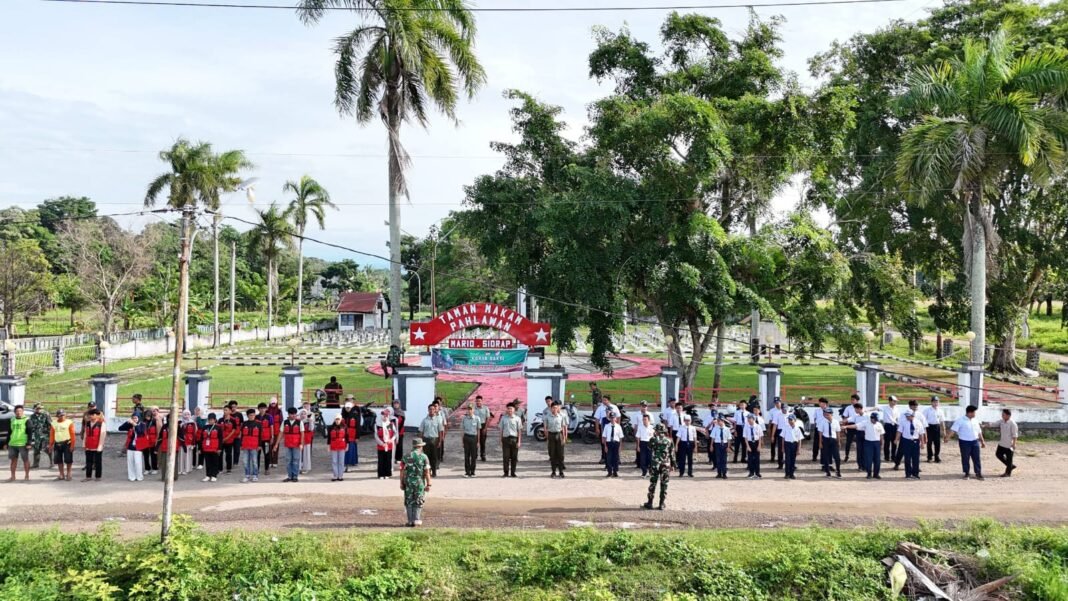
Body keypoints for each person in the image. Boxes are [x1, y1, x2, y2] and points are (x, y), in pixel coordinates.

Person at [400, 438, 432, 527]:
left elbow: (402, 470)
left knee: (409, 500)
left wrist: (401, 482)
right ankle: (416, 520)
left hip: (409, 481)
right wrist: (429, 484)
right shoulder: (424, 457)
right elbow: (427, 472)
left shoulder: (406, 456)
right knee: (418, 500)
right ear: (420, 446)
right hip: (419, 481)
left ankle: (410, 521)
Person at [641, 424, 673, 510]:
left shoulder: (653, 439)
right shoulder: (669, 441)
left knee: (653, 483)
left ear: (657, 431)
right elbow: (672, 454)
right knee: (664, 484)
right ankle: (661, 504)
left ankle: (650, 503)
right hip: (665, 465)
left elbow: (649, 447)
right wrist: (673, 465)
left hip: (655, 464)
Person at [845, 412, 885, 479]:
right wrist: (846, 426)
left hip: (877, 443)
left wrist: (882, 444)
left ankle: (876, 474)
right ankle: (869, 473)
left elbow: (881, 435)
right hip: (868, 443)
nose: (875, 421)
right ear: (871, 418)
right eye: (874, 419)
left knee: (877, 460)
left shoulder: (879, 424)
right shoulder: (865, 423)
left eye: (876, 420)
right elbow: (856, 425)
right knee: (868, 459)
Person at [950, 404, 986, 480]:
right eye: (974, 412)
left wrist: (982, 441)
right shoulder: (960, 420)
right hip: (964, 442)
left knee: (976, 458)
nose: (975, 414)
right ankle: (966, 473)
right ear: (969, 413)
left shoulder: (975, 420)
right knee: (965, 458)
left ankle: (978, 473)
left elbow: (979, 432)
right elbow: (953, 430)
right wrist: (947, 438)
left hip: (975, 441)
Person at [893, 400, 927, 470]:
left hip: (915, 437)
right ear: (910, 406)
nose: (915, 407)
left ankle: (916, 466)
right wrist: (897, 438)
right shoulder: (903, 414)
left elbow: (923, 427)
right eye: (914, 406)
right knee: (901, 451)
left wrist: (925, 437)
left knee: (916, 452)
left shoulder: (920, 415)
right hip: (905, 436)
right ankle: (897, 463)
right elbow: (899, 426)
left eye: (916, 406)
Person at [896, 410, 925, 480]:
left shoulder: (918, 422)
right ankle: (908, 474)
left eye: (908, 416)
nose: (907, 417)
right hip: (906, 441)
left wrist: (922, 443)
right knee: (907, 458)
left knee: (916, 458)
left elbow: (921, 433)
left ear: (912, 415)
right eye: (906, 416)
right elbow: (899, 431)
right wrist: (896, 439)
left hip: (915, 441)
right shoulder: (903, 422)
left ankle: (915, 474)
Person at [49, 408, 76, 481]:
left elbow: (73, 434)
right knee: (58, 460)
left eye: (63, 415)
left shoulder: (69, 422)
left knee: (68, 459)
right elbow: (52, 434)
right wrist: (50, 445)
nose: (62, 416)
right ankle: (61, 474)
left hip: (67, 443)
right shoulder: (53, 423)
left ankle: (69, 473)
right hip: (57, 443)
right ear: (57, 416)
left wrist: (72, 445)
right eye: (60, 415)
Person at [7, 405, 30, 482]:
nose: (18, 412)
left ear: (23, 412)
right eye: (17, 411)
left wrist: (29, 443)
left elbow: (30, 432)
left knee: (25, 460)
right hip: (12, 444)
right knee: (13, 461)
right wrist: (7, 442)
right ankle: (13, 476)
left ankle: (27, 475)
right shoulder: (12, 420)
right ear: (14, 412)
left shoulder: (27, 420)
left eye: (20, 411)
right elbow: (9, 432)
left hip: (23, 444)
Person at [817, 407, 842, 478]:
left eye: (827, 414)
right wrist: (820, 442)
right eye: (825, 414)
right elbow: (820, 433)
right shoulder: (822, 422)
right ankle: (828, 472)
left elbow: (838, 432)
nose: (826, 415)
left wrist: (839, 441)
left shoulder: (836, 422)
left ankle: (838, 471)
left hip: (833, 440)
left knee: (837, 457)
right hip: (825, 440)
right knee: (826, 456)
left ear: (831, 414)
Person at [419, 404, 444, 477]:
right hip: (426, 440)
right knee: (426, 457)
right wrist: (421, 442)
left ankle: (434, 471)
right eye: (430, 409)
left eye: (433, 409)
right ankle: (427, 471)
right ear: (428, 410)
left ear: (435, 410)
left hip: (434, 440)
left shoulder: (438, 420)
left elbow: (440, 431)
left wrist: (440, 441)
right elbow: (421, 431)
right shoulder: (424, 420)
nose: (432, 411)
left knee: (434, 456)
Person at [121, 415, 147, 481]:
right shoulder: (130, 425)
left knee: (138, 462)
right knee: (130, 462)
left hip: (138, 446)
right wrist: (127, 422)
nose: (134, 419)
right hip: (130, 446)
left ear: (138, 418)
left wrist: (135, 425)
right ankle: (131, 476)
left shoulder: (142, 424)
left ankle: (139, 476)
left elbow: (140, 432)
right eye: (133, 418)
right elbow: (120, 428)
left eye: (136, 418)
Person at [499, 403, 522, 478]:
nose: (509, 410)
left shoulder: (517, 418)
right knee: (505, 456)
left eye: (511, 409)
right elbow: (501, 430)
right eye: (508, 409)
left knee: (514, 457)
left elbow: (519, 431)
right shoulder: (503, 418)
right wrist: (500, 440)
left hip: (514, 439)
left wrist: (519, 441)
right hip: (505, 439)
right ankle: (506, 472)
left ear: (514, 410)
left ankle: (513, 472)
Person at [81, 409, 105, 482]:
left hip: (97, 445)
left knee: (98, 462)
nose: (91, 416)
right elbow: (85, 434)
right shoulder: (87, 423)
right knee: (88, 462)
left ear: (97, 415)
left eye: (93, 415)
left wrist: (100, 445)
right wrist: (84, 443)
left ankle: (98, 476)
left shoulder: (101, 424)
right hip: (89, 445)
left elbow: (102, 435)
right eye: (90, 415)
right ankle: (88, 476)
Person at [993, 408, 1018, 477]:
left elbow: (1015, 435)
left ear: (1008, 415)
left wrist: (1014, 444)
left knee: (1009, 459)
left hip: (1009, 444)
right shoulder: (1002, 421)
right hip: (1002, 443)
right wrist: (986, 425)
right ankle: (1010, 466)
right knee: (998, 454)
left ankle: (1007, 473)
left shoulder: (1013, 424)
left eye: (1003, 415)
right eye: (1002, 414)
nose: (1002, 416)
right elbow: (994, 424)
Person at [281, 407, 304, 483]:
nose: (293, 415)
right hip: (288, 444)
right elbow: (281, 433)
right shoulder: (285, 422)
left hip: (296, 444)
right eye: (292, 414)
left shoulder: (299, 422)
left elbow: (302, 434)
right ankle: (289, 476)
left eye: (295, 414)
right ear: (289, 414)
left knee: (295, 460)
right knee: (288, 460)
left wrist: (301, 443)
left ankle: (295, 476)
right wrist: (276, 444)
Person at [240, 409, 262, 483]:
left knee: (254, 461)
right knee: (245, 461)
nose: (252, 416)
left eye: (253, 415)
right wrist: (241, 445)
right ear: (247, 416)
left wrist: (259, 445)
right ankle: (247, 475)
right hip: (245, 445)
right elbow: (242, 435)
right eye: (250, 415)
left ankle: (255, 475)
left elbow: (260, 436)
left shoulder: (259, 424)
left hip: (254, 445)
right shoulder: (244, 424)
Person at [460, 404, 482, 478]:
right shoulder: (464, 418)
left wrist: (478, 441)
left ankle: (472, 472)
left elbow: (478, 430)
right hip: (466, 437)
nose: (469, 411)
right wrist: (462, 441)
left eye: (471, 409)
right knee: (466, 456)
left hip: (474, 438)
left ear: (473, 410)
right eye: (468, 409)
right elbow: (462, 430)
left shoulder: (477, 418)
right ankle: (467, 472)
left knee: (473, 456)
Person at [199, 413, 223, 482]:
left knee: (215, 462)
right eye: (209, 420)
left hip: (215, 448)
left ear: (215, 420)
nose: (210, 421)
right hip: (206, 448)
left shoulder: (218, 428)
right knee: (207, 462)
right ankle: (208, 475)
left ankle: (214, 475)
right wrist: (200, 448)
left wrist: (219, 448)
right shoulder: (205, 427)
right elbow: (201, 438)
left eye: (212, 420)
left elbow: (221, 439)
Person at [27, 404, 52, 469]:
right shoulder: (32, 416)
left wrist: (50, 435)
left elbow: (50, 425)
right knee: (36, 450)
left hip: (45, 435)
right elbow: (31, 427)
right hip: (36, 436)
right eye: (38, 408)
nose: (39, 409)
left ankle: (52, 463)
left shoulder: (46, 415)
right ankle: (36, 464)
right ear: (34, 409)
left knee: (47, 449)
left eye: (41, 408)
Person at [923, 396, 947, 463]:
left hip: (937, 427)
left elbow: (942, 421)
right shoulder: (927, 410)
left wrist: (944, 430)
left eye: (937, 402)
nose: (936, 403)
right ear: (931, 402)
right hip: (929, 427)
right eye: (934, 402)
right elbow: (923, 420)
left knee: (937, 443)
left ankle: (937, 456)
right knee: (929, 442)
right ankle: (929, 457)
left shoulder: (940, 411)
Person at [780, 414, 804, 480]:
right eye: (789, 420)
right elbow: (783, 438)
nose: (789, 421)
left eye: (791, 420)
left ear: (795, 420)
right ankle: (787, 474)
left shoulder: (798, 429)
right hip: (787, 444)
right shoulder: (785, 427)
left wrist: (798, 449)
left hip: (794, 445)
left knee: (793, 460)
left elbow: (799, 440)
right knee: (787, 460)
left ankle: (792, 474)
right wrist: (782, 447)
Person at [375, 408, 397, 479]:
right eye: (383, 415)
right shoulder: (378, 425)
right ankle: (381, 474)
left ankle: (387, 473)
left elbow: (394, 433)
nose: (385, 417)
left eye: (386, 416)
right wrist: (381, 443)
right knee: (381, 460)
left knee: (388, 459)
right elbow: (376, 436)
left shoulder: (389, 424)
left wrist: (391, 439)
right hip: (381, 445)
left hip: (389, 445)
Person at [603, 411, 624, 478]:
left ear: (616, 418)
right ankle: (609, 472)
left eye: (613, 418)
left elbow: (620, 437)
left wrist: (620, 446)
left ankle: (615, 471)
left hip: (616, 443)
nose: (612, 419)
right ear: (609, 418)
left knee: (616, 458)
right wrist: (605, 446)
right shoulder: (606, 426)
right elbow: (604, 437)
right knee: (609, 458)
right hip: (609, 443)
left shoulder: (618, 427)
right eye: (611, 418)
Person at [340, 400, 360, 471]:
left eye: (349, 408)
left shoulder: (355, 415)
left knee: (352, 449)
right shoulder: (342, 415)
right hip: (344, 435)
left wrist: (357, 436)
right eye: (346, 408)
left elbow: (357, 426)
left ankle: (352, 461)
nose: (347, 409)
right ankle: (345, 462)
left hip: (352, 434)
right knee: (344, 448)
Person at [675, 414, 697, 478]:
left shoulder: (693, 428)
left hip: (690, 443)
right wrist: (676, 445)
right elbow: (678, 437)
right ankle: (681, 472)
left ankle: (690, 472)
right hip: (683, 443)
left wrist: (695, 446)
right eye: (686, 420)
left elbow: (695, 437)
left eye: (689, 420)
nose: (687, 422)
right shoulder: (681, 427)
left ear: (691, 421)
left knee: (690, 459)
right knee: (682, 459)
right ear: (684, 421)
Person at [327, 415, 348, 481]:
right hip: (333, 446)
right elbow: (329, 438)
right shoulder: (331, 427)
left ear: (341, 419)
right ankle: (335, 475)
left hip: (342, 446)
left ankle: (340, 475)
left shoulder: (344, 427)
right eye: (336, 419)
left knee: (341, 461)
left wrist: (347, 446)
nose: (337, 420)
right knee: (334, 461)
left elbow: (347, 437)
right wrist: (328, 446)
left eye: (338, 419)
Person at [881, 395, 900, 462]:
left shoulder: (896, 408)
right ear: (890, 401)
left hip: (894, 426)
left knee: (894, 442)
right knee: (887, 442)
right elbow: (876, 408)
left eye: (895, 401)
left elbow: (897, 418)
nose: (895, 402)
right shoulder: (885, 408)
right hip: (887, 426)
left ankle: (893, 456)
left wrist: (898, 425)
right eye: (894, 401)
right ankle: (886, 456)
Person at [743, 414, 763, 479]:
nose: (748, 420)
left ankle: (757, 473)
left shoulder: (758, 426)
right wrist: (747, 446)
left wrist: (759, 445)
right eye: (748, 418)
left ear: (753, 419)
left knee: (757, 459)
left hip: (756, 442)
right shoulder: (746, 427)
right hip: (749, 443)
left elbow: (760, 437)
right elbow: (745, 437)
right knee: (750, 459)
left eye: (749, 418)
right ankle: (751, 473)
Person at [221, 406, 240, 474]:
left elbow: (234, 430)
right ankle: (220, 469)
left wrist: (227, 438)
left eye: (226, 410)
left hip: (229, 440)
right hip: (221, 440)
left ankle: (228, 469)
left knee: (228, 454)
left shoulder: (233, 420)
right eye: (224, 410)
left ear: (230, 411)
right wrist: (221, 438)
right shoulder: (221, 419)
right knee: (220, 454)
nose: (224, 411)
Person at [179, 410, 198, 476]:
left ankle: (187, 469)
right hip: (181, 441)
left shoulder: (193, 423)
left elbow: (194, 433)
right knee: (181, 455)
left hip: (189, 441)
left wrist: (193, 443)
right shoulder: (180, 422)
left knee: (188, 455)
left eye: (188, 414)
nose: (186, 416)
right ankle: (180, 469)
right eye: (185, 414)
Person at [473, 395, 492, 462]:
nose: (478, 402)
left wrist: (485, 428)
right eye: (477, 401)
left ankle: (483, 455)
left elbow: (488, 418)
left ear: (482, 401)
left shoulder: (486, 408)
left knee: (482, 441)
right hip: (475, 426)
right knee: (475, 441)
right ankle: (474, 455)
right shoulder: (473, 409)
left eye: (479, 401)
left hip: (483, 425)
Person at [842, 394, 860, 462]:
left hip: (858, 425)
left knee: (859, 442)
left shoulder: (860, 407)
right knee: (848, 442)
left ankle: (859, 457)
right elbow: (845, 417)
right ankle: (847, 455)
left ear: (857, 400)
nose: (852, 401)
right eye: (851, 399)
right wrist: (845, 427)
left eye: (853, 400)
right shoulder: (848, 408)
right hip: (850, 424)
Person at [635, 411, 654, 477]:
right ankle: (644, 472)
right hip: (643, 443)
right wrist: (638, 446)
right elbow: (638, 437)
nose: (644, 421)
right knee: (643, 459)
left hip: (650, 443)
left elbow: (654, 437)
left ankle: (650, 472)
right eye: (643, 419)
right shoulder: (640, 427)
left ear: (648, 420)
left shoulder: (652, 428)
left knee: (650, 459)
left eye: (645, 419)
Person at [142, 408, 160, 475]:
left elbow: (158, 432)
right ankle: (147, 468)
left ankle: (154, 468)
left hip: (153, 441)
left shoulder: (155, 421)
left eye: (149, 416)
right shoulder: (143, 422)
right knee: (145, 455)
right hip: (145, 441)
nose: (147, 418)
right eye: (146, 416)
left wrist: (157, 441)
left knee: (153, 455)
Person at [300, 409, 315, 474]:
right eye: (302, 414)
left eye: (304, 414)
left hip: (307, 438)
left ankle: (306, 467)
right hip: (300, 439)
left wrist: (311, 422)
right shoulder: (298, 421)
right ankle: (299, 467)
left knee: (306, 454)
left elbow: (311, 429)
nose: (303, 415)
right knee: (299, 454)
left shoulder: (309, 421)